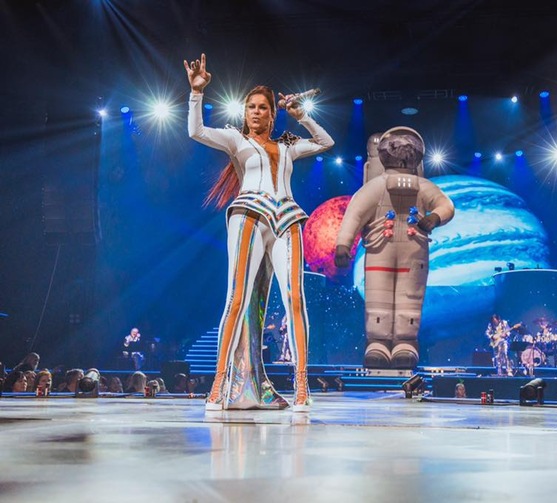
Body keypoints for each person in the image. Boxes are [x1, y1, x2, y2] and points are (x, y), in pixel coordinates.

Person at [184, 53, 334, 412]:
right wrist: (196, 93)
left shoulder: (286, 145)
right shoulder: (236, 140)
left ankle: (301, 383)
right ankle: (220, 383)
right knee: (236, 297)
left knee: (295, 298)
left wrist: (302, 116)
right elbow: (195, 131)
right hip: (249, 212)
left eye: (262, 107)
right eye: (250, 107)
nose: (255, 112)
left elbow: (326, 142)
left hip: (286, 216)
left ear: (272, 113)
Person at [334, 127, 454, 369]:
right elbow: (355, 214)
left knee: (409, 298)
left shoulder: (411, 187)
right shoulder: (379, 187)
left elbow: (445, 206)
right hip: (385, 249)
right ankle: (377, 342)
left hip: (408, 251)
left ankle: (405, 343)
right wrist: (342, 244)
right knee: (379, 297)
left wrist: (435, 218)